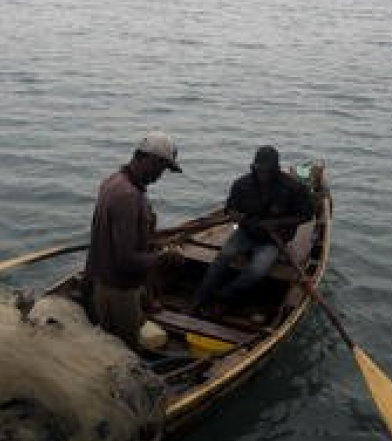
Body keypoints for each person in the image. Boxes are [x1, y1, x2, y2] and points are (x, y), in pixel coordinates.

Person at [84, 131, 183, 348]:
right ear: (148, 159)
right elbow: (126, 260)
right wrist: (164, 257)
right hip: (119, 292)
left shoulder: (113, 181)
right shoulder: (128, 196)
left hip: (102, 282)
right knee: (124, 349)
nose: (160, 175)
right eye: (161, 167)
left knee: (109, 343)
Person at [191, 146, 313, 313]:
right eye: (259, 170)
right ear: (254, 167)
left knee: (257, 270)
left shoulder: (294, 188)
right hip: (246, 233)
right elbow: (230, 208)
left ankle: (224, 295)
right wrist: (234, 214)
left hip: (273, 240)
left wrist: (278, 223)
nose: (263, 175)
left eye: (267, 171)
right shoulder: (241, 184)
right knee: (222, 257)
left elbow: (307, 215)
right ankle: (200, 296)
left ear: (275, 169)